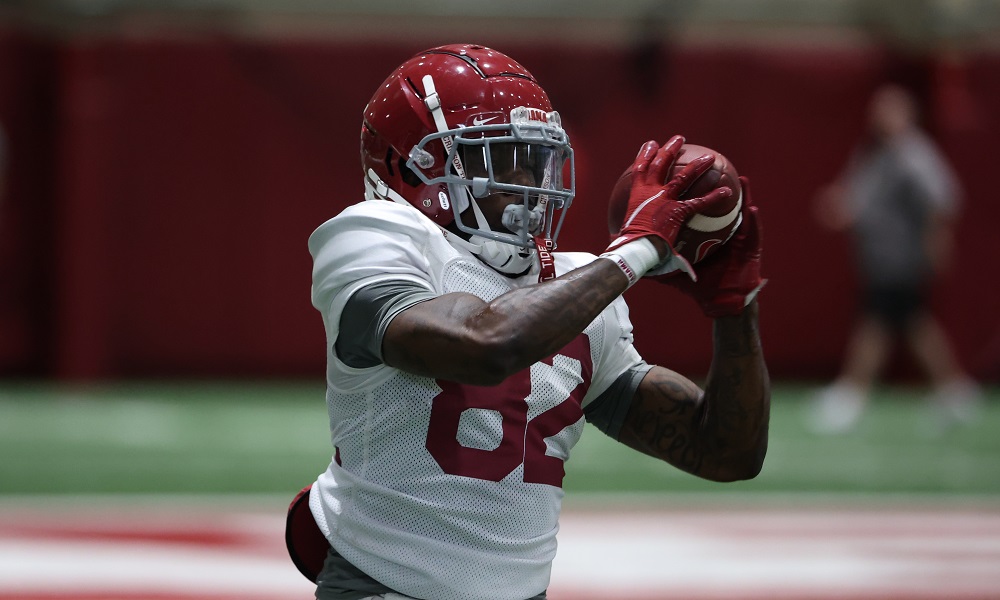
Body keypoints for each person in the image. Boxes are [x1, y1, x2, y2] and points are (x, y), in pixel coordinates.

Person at [298, 44, 770, 600]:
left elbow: (726, 453)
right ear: (412, 167)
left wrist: (735, 307)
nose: (528, 180)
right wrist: (633, 253)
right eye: (496, 159)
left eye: (533, 158)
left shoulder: (577, 285)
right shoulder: (377, 235)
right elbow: (483, 343)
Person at [810, 83, 981, 435]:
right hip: (879, 255)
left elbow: (942, 198)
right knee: (914, 323)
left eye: (889, 109)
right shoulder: (877, 153)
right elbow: (862, 198)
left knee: (877, 322)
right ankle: (956, 391)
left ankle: (851, 394)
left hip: (900, 255)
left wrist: (936, 240)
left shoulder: (913, 153)